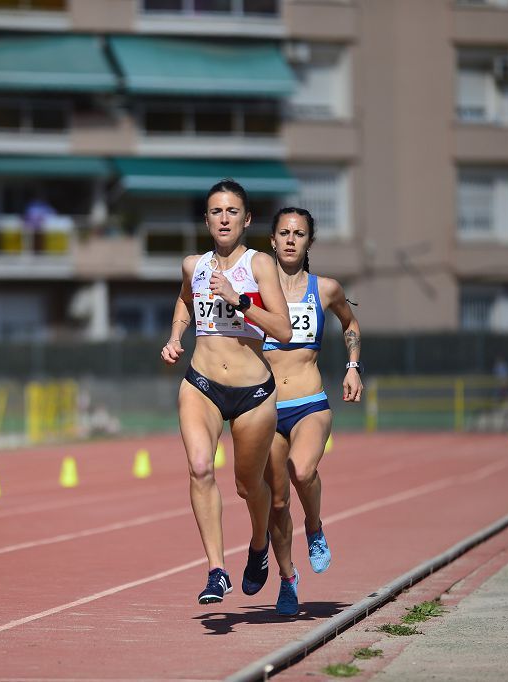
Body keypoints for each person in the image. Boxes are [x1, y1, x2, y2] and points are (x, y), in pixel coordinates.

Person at [160, 179, 292, 604]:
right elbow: (184, 300)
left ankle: (258, 546)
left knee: (248, 485)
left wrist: (238, 300)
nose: (223, 218)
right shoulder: (192, 265)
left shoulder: (259, 266)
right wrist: (176, 335)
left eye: (232, 211)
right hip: (200, 383)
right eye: (216, 211)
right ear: (206, 219)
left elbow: (284, 330)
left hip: (253, 391)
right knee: (200, 468)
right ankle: (217, 570)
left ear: (246, 219)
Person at [262, 207, 363, 616]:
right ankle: (287, 580)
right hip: (263, 406)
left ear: (308, 242)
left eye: (298, 234)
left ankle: (316, 527)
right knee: (278, 502)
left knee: (303, 471)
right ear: (271, 240)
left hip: (309, 402)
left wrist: (353, 366)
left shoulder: (326, 289)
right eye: (283, 233)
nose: (290, 239)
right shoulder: (252, 288)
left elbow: (350, 322)